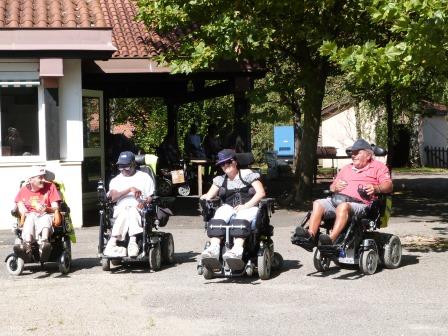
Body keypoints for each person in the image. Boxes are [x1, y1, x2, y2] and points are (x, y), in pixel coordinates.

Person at [296, 139, 393, 245]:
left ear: (368, 155)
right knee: (318, 203)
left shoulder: (378, 167)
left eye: (357, 152)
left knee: (343, 207)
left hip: (361, 204)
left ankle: (330, 239)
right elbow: (332, 187)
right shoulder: (346, 168)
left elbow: (389, 186)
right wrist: (334, 187)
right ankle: (310, 236)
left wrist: (376, 188)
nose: (353, 155)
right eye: (352, 152)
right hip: (337, 199)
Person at [200, 149, 266, 261]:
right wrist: (204, 198)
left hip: (249, 207)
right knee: (220, 214)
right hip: (230, 207)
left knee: (241, 218)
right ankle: (214, 248)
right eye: (222, 164)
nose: (225, 165)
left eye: (228, 162)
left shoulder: (247, 174)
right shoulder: (220, 179)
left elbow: (261, 193)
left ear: (235, 161)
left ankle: (237, 250)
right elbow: (209, 195)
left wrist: (246, 206)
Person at [103, 151, 155, 257]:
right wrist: (129, 190)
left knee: (131, 210)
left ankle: (113, 243)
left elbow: (151, 196)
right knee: (127, 210)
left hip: (139, 208)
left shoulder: (145, 177)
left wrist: (145, 202)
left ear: (133, 164)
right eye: (120, 167)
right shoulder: (116, 180)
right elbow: (113, 198)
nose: (123, 170)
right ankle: (132, 242)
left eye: (126, 167)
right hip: (121, 208)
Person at [14, 166, 61, 260]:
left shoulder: (50, 187)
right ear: (31, 180)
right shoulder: (23, 190)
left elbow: (56, 207)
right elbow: (19, 205)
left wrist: (46, 209)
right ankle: (27, 247)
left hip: (46, 214)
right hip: (30, 216)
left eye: (44, 177)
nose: (44, 180)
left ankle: (44, 243)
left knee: (45, 217)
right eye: (40, 177)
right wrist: (22, 209)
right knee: (31, 217)